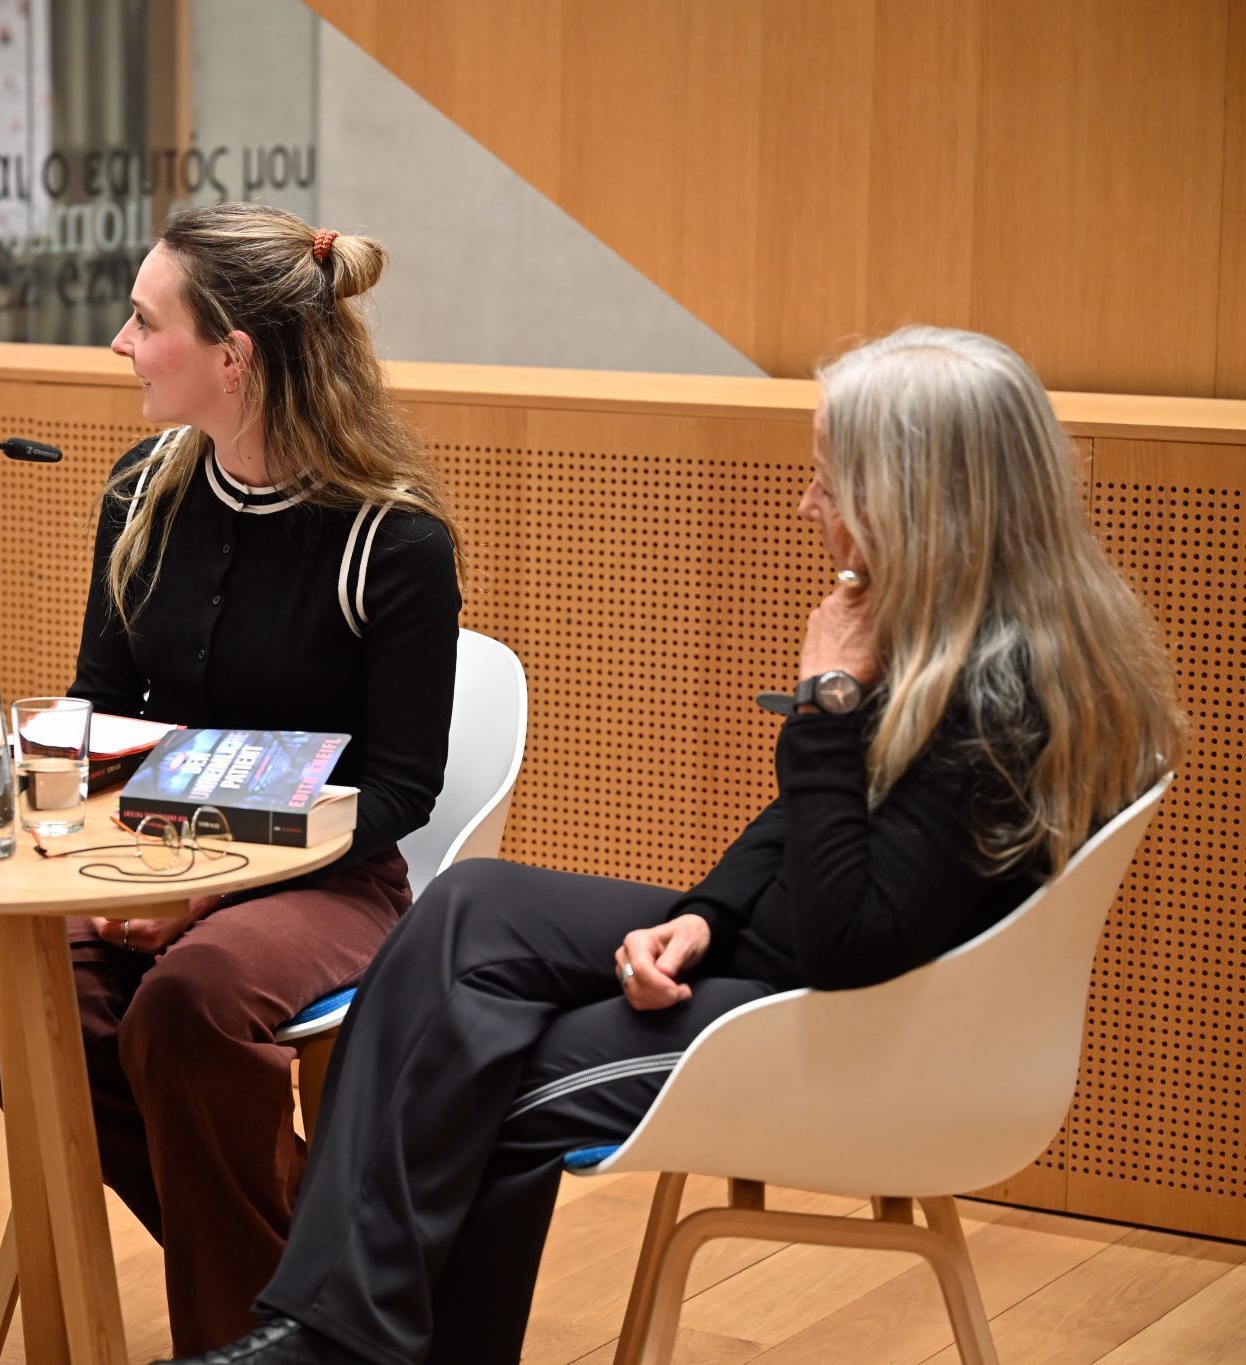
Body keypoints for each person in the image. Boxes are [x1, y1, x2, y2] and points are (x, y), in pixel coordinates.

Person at [165, 326, 1184, 1365]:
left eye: (828, 483)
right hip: (790, 953)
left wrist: (824, 706)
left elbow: (847, 946)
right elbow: (795, 829)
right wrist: (702, 914)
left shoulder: (997, 698)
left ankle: (328, 1342)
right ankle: (328, 1331)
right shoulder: (955, 622)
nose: (805, 507)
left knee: (491, 1066)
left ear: (918, 500)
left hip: (857, 1020)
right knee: (468, 908)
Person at [0, 203, 465, 1354]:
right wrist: (50, 793)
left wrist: (210, 895)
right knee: (16, 1016)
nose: (119, 343)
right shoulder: (140, 489)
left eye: (145, 321)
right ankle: (317, 1303)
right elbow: (101, 706)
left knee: (191, 1006)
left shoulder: (393, 541)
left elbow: (401, 787)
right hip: (149, 854)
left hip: (326, 876)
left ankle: (266, 1322)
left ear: (232, 356)